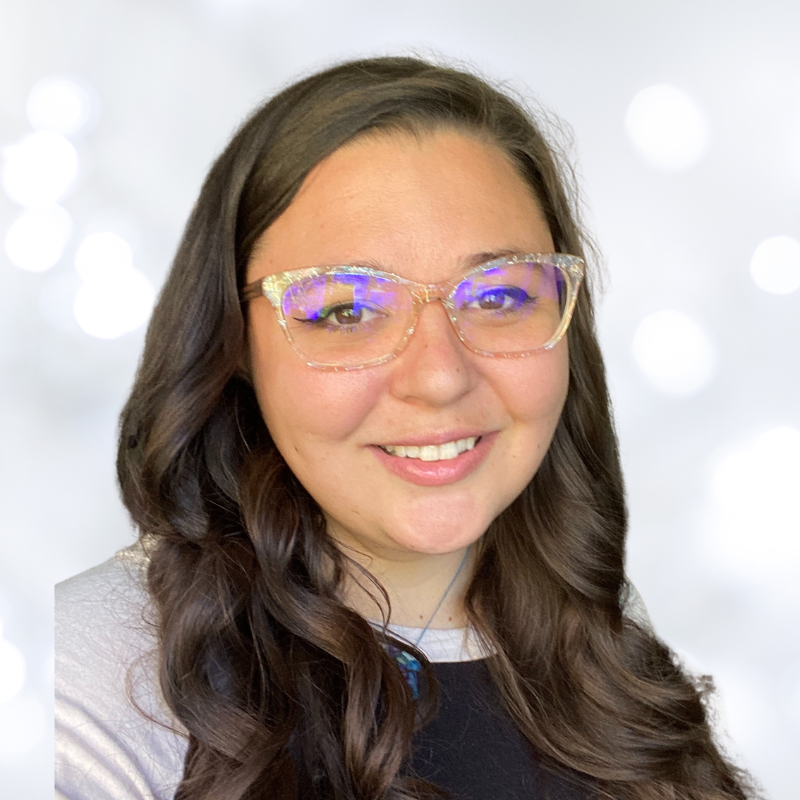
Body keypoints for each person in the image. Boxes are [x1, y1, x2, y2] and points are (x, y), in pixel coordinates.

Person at [55, 56, 755, 800]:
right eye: (345, 311)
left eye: (497, 295)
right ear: (231, 344)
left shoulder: (599, 642)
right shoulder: (89, 685)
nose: (440, 376)